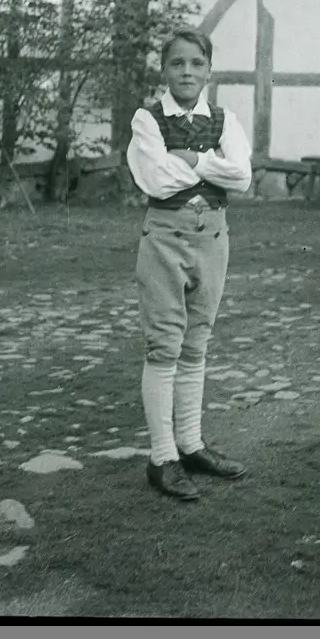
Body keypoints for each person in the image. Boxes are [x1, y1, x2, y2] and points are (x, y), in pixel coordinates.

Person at [126, 27, 254, 500]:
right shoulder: (147, 119)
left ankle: (192, 445)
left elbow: (241, 176)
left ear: (208, 70)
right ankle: (163, 457)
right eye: (177, 63)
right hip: (165, 237)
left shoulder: (224, 119)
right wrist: (213, 163)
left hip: (213, 237)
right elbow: (156, 181)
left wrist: (193, 162)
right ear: (164, 69)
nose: (187, 72)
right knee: (165, 344)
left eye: (196, 63)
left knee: (197, 342)